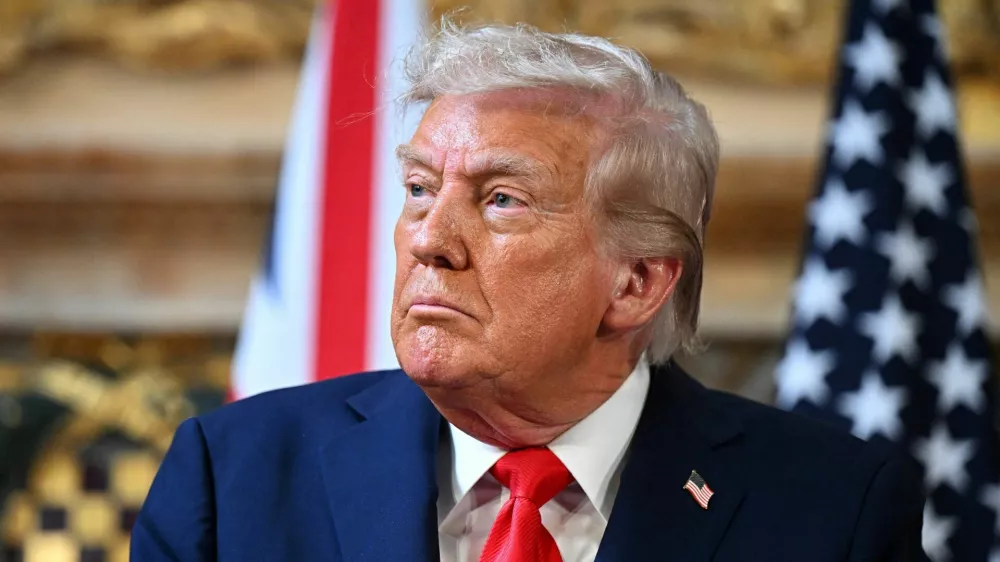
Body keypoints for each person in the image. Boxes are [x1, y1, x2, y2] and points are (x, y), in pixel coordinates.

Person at [131, 21, 927, 562]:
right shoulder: (231, 478)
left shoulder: (834, 511)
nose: (428, 240)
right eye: (417, 188)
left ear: (638, 282)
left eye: (501, 199)